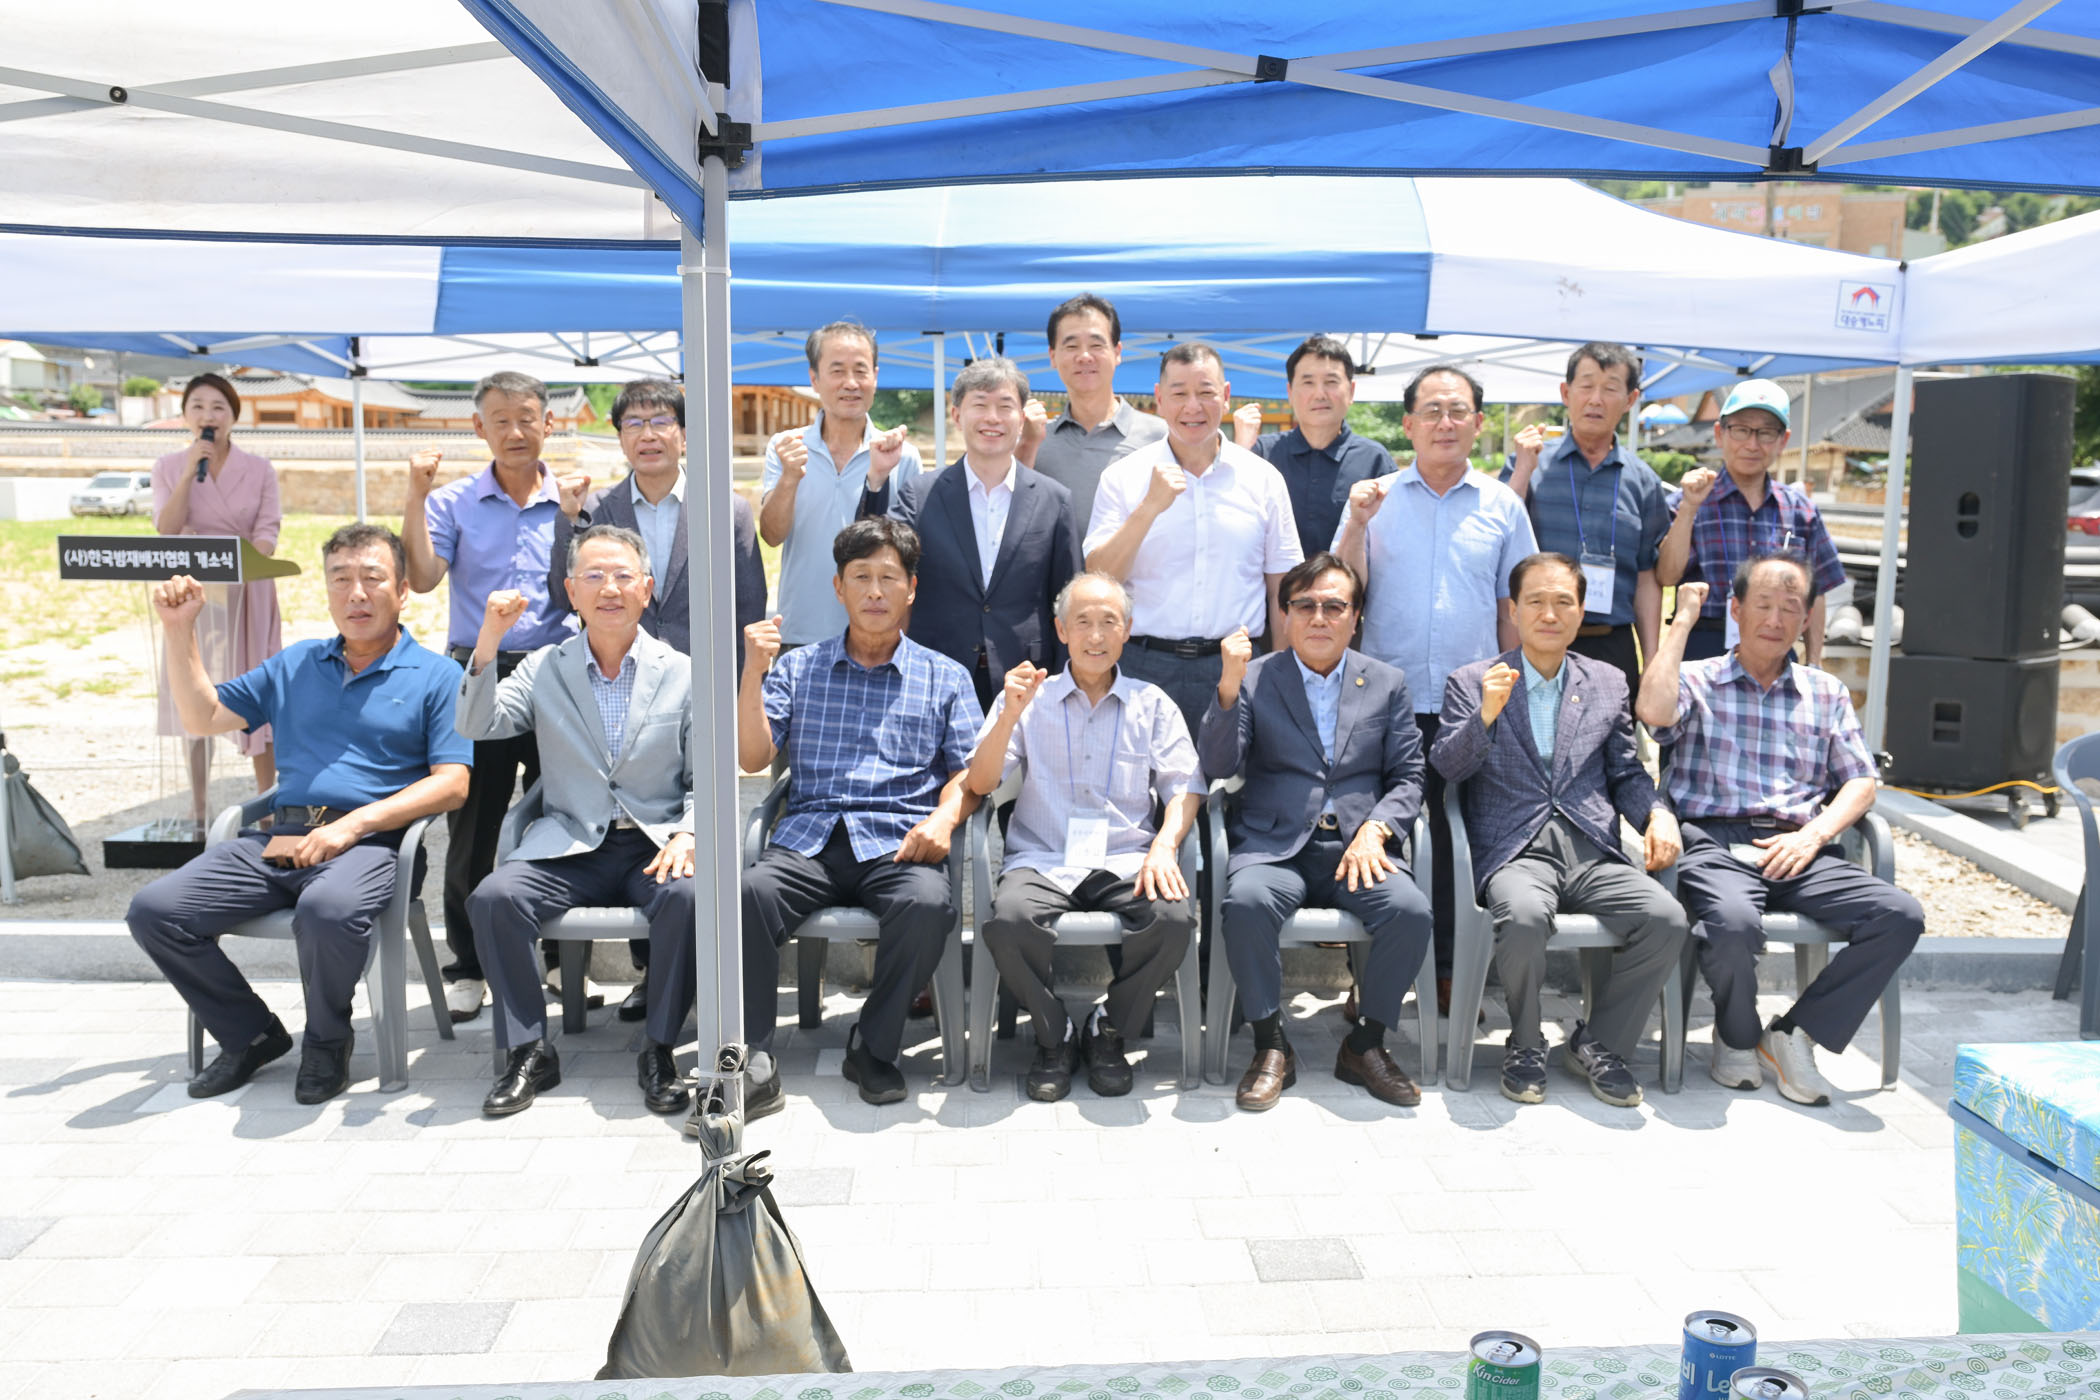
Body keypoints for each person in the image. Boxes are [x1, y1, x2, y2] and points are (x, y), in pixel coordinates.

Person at [127, 524, 472, 1104]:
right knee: (155, 911)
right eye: (341, 579)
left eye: (372, 578)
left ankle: (327, 1040)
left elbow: (453, 784)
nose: (356, 593)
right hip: (282, 837)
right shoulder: (295, 664)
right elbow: (202, 717)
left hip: (371, 846)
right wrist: (179, 629)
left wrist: (353, 825)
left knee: (327, 909)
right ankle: (250, 1034)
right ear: (327, 591)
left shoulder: (438, 675)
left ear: (402, 591)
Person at [1636, 554, 1923, 1107]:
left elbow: (1860, 781)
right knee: (1733, 924)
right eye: (1762, 605)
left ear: (1807, 617)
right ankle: (1737, 1035)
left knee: (1899, 915)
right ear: (1736, 610)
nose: (1774, 619)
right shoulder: (1697, 678)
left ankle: (1794, 1033)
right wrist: (1683, 621)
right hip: (1715, 842)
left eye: (1789, 608)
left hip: (1799, 848)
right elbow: (1652, 709)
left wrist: (1814, 835)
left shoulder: (1826, 692)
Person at [739, 518, 982, 1112]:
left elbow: (970, 776)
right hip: (810, 839)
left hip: (898, 842)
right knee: (748, 894)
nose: (875, 591)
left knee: (928, 905)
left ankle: (872, 1045)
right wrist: (752, 672)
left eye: (888, 578)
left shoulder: (945, 676)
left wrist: (944, 819)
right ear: (838, 587)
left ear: (911, 589)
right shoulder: (798, 668)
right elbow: (752, 757)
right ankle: (753, 1057)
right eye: (860, 577)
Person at [1431, 552, 1688, 1108]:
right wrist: (1484, 716)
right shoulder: (1472, 681)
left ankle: (1599, 1042)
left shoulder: (1608, 681)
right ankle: (1525, 1042)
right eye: (1536, 602)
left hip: (1590, 847)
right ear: (1513, 610)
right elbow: (1448, 769)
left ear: (1581, 611)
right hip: (1514, 849)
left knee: (1666, 918)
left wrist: (1657, 813)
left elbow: (1625, 773)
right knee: (1523, 918)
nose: (1549, 614)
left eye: (1563, 602)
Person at [458, 525, 698, 1118]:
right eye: (593, 576)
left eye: (622, 576)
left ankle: (660, 1048)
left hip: (652, 844)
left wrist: (689, 832)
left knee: (690, 899)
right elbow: (477, 725)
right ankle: (529, 1050)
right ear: (570, 591)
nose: (608, 588)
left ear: (646, 588)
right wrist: (488, 642)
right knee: (494, 899)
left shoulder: (684, 672)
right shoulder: (544, 667)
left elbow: (705, 778)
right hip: (569, 844)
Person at [551, 377, 764, 1025]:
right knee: (641, 819)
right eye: (634, 423)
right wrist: (565, 519)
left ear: (685, 434)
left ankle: (697, 970)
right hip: (622, 690)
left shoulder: (727, 509)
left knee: (695, 823)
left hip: (702, 691)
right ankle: (653, 974)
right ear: (619, 437)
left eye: (661, 421)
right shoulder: (597, 509)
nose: (648, 434)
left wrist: (740, 693)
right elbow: (566, 595)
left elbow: (748, 605)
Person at [1198, 553, 1433, 1112]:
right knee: (1247, 903)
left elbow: (1409, 775)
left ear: (1356, 617)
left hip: (1358, 849)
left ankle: (1365, 1045)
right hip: (1276, 847)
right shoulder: (1256, 678)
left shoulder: (1387, 682)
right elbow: (1218, 763)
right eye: (1305, 606)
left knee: (1410, 911)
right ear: (1284, 616)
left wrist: (1378, 828)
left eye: (1334, 606)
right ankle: (1271, 1045)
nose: (1319, 618)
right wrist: (1228, 686)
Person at [1334, 363, 1536, 1008]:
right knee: (1376, 836)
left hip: (1468, 705)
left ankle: (1448, 972)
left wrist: (1511, 695)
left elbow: (1512, 609)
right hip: (1383, 700)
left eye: (1458, 411)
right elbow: (1344, 591)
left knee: (1456, 841)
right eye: (1431, 411)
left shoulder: (1503, 506)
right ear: (1408, 424)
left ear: (1477, 423)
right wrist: (1356, 523)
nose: (1445, 423)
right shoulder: (1376, 499)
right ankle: (1372, 978)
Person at [965, 572, 1200, 1102]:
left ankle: (1107, 1027)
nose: (1096, 636)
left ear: (1128, 630)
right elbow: (980, 782)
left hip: (1127, 857)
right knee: (1008, 921)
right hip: (1044, 857)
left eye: (1109, 622)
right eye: (1083, 622)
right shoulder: (1028, 698)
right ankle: (1055, 1034)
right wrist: (1008, 715)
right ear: (1061, 630)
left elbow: (1185, 785)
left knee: (1173, 919)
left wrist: (1165, 845)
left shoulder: (1152, 703)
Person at [402, 371, 579, 1025]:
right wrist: (414, 494)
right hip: (478, 670)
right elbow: (423, 578)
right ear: (479, 428)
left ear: (548, 423)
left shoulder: (574, 500)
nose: (515, 431)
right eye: (500, 420)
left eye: (527, 417)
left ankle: (562, 958)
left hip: (558, 673)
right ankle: (470, 965)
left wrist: (575, 519)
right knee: (472, 825)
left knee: (566, 816)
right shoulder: (453, 502)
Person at [1085, 342, 1302, 732]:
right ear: (1159, 399)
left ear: (1226, 395)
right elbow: (1099, 578)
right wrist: (1149, 508)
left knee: (1233, 771)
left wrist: (1281, 675)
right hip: (1143, 663)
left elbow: (1281, 590)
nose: (1193, 407)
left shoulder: (1263, 479)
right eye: (1179, 394)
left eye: (1205, 392)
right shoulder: (1124, 477)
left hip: (1236, 664)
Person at [895, 356, 1081, 711]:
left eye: (1005, 406)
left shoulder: (1054, 500)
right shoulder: (919, 496)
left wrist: (1064, 683)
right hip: (935, 675)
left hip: (1028, 678)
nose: (992, 418)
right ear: (956, 415)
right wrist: (876, 480)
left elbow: (1067, 599)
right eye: (980, 405)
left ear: (1021, 418)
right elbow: (878, 561)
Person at [151, 372, 285, 821]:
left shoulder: (260, 469)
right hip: (193, 593)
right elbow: (167, 528)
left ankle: (267, 803)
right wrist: (189, 472)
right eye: (198, 406)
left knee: (257, 689)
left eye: (218, 407)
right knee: (193, 685)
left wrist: (249, 560)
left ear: (233, 416)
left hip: (249, 590)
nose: (208, 415)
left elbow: (268, 530)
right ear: (185, 416)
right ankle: (198, 807)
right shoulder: (168, 466)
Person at [1499, 342, 1668, 690]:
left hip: (1611, 644)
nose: (1595, 400)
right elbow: (1498, 539)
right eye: (1586, 386)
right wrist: (1523, 472)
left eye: (1610, 389)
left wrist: (1652, 658)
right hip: (1537, 641)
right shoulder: (1528, 463)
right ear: (1566, 393)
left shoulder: (1644, 481)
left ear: (1631, 400)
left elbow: (1646, 577)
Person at [1655, 379, 1846, 666]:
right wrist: (1688, 509)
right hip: (1706, 643)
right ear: (1720, 434)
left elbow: (1816, 591)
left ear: (1783, 440)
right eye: (1741, 430)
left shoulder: (1801, 510)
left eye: (1766, 433)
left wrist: (1814, 662)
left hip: (1776, 644)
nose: (1752, 444)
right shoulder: (1689, 500)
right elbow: (1667, 576)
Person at [759, 320, 925, 647]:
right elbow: (771, 536)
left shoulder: (902, 456)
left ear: (875, 376)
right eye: (837, 371)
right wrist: (790, 477)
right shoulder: (786, 447)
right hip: (801, 632)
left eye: (860, 371)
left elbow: (909, 555)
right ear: (814, 379)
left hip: (878, 636)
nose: (851, 383)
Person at [1231, 335, 1398, 560]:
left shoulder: (1375, 459)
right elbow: (1232, 519)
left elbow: (1391, 538)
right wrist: (1241, 450)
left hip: (1350, 583)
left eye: (1331, 382)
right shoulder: (1262, 453)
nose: (1320, 394)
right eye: (1308, 382)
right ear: (1290, 393)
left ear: (1351, 391)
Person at [1016, 292, 1167, 536]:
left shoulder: (1160, 436)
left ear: (1117, 352)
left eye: (1096, 345)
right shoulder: (1035, 439)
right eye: (1071, 346)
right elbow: (1009, 516)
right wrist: (1026, 445)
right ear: (1053, 356)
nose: (1084, 356)